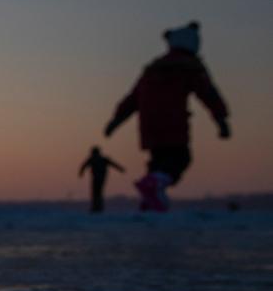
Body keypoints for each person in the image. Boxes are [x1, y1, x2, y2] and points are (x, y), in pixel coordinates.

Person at [104, 21, 229, 212]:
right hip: (174, 122)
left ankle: (150, 202)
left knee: (158, 161)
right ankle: (153, 188)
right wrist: (221, 120)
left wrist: (115, 121)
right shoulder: (190, 66)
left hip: (148, 125)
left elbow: (133, 98)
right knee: (179, 159)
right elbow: (208, 94)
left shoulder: (153, 69)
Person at [79, 147, 124, 213]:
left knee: (96, 193)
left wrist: (81, 172)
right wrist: (120, 169)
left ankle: (97, 207)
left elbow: (84, 166)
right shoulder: (101, 159)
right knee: (98, 193)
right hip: (100, 178)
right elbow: (114, 164)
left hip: (99, 178)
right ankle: (97, 207)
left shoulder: (95, 159)